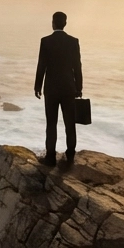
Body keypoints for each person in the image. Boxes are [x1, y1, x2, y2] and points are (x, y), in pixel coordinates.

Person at [34, 11, 82, 166]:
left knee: (51, 123)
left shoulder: (46, 41)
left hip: (51, 88)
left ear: (52, 23)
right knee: (70, 123)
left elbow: (42, 65)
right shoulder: (73, 41)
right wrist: (79, 87)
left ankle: (50, 156)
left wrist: (37, 86)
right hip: (69, 88)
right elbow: (77, 67)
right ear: (65, 23)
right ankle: (70, 155)